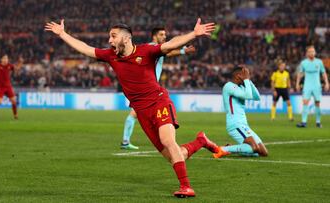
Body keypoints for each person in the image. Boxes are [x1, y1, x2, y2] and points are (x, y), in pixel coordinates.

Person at [45, 18, 218, 198]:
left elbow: (169, 45)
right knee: (173, 155)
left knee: (168, 140)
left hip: (159, 102)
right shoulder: (111, 55)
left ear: (126, 38)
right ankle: (201, 141)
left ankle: (186, 187)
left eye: (113, 36)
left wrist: (193, 34)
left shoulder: (146, 51)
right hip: (141, 111)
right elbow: (87, 49)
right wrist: (62, 34)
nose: (110, 41)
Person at [121, 27, 196, 150]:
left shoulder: (155, 49)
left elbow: (168, 53)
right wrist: (183, 51)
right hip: (145, 90)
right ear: (154, 36)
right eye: (161, 34)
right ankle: (126, 141)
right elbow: (169, 51)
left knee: (136, 114)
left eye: (165, 34)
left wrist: (183, 51)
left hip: (147, 89)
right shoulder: (151, 48)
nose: (164, 37)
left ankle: (127, 141)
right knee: (135, 114)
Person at [213, 65, 268, 158]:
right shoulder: (229, 86)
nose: (247, 77)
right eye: (244, 75)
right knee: (254, 148)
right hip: (235, 124)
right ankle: (223, 149)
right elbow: (248, 96)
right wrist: (246, 80)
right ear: (238, 76)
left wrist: (248, 81)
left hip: (244, 125)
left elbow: (257, 97)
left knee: (263, 152)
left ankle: (231, 148)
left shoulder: (242, 87)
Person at [296, 46, 329, 128]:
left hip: (317, 86)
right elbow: (300, 74)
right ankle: (304, 122)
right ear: (307, 53)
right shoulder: (304, 63)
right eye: (310, 51)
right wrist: (297, 83)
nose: (312, 53)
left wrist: (327, 83)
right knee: (305, 102)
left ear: (315, 52)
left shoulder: (319, 62)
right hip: (307, 85)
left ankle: (318, 122)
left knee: (317, 103)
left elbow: (323, 73)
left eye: (313, 51)